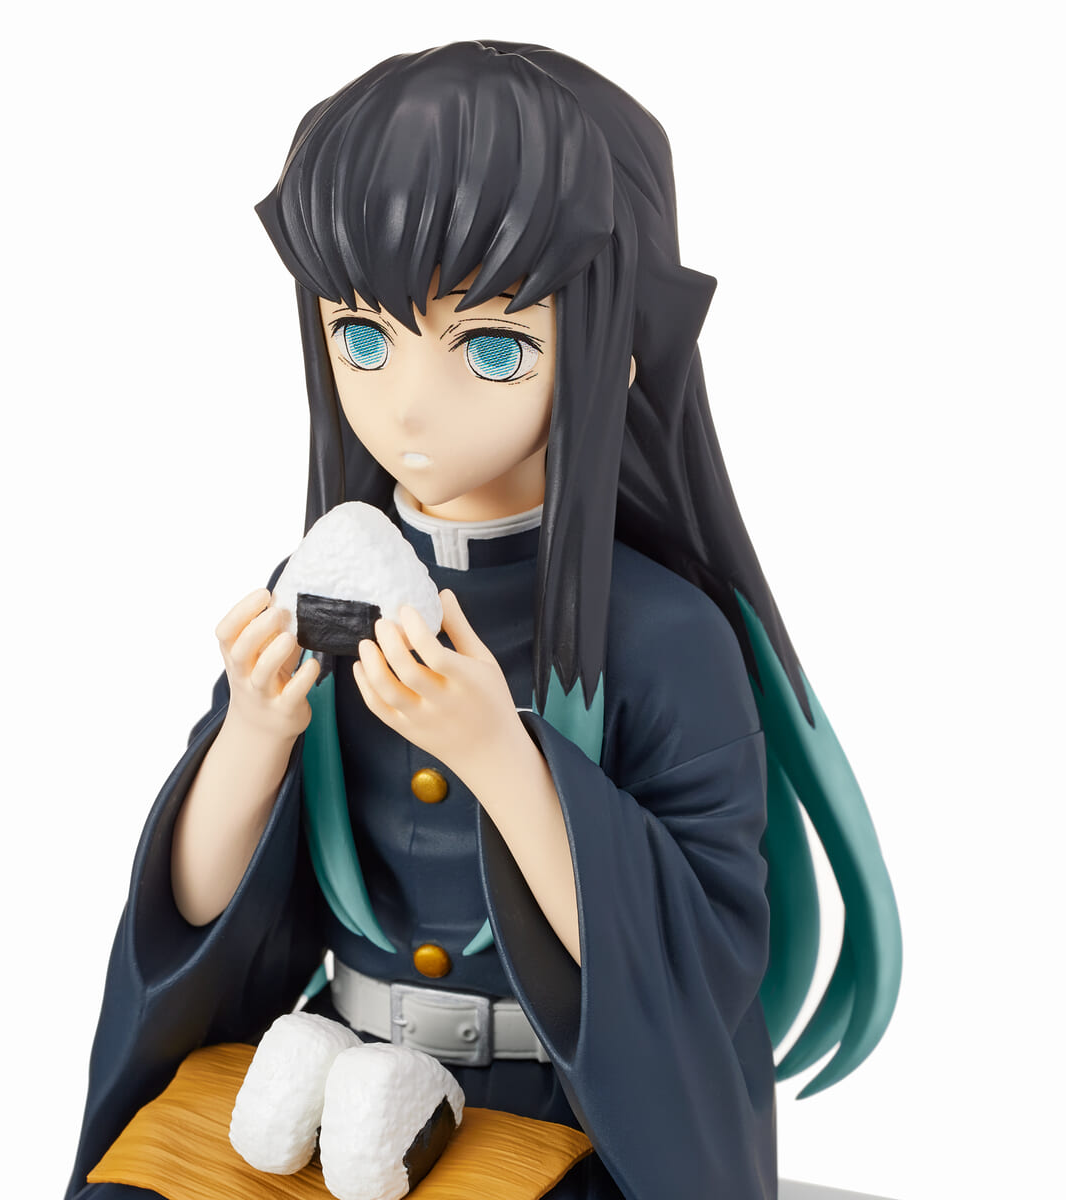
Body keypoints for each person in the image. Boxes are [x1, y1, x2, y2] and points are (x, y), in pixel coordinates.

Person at [67, 41, 901, 1200]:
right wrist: (253, 737)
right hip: (329, 1080)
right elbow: (196, 917)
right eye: (364, 337)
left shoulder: (666, 636)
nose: (408, 406)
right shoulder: (322, 586)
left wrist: (504, 760)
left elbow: (698, 969)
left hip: (565, 1107)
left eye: (492, 349)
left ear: (616, 350)